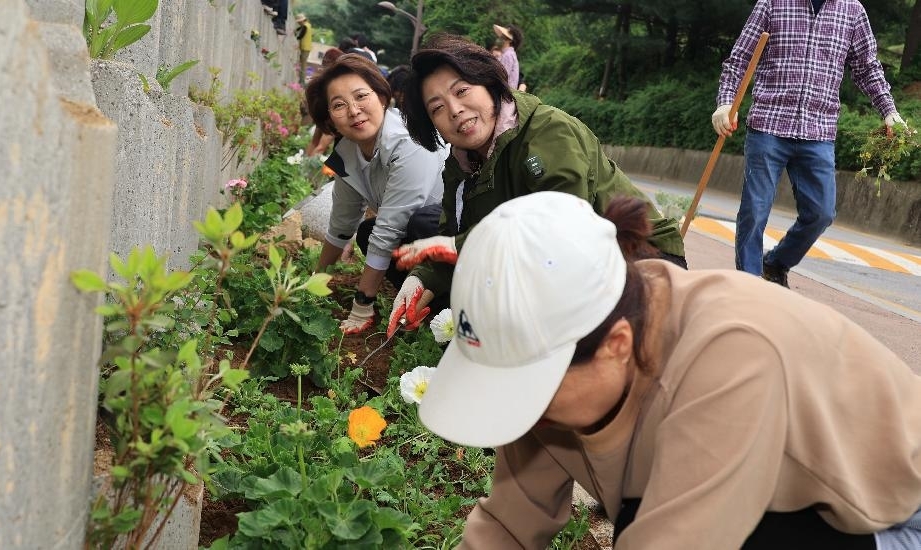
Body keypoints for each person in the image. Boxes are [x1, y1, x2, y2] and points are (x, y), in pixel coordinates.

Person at [417, 190, 921, 549]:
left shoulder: (732, 352)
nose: (521, 415)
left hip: (892, 517)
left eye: (531, 391)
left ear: (617, 345)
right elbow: (509, 524)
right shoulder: (563, 338)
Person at [388, 34, 685, 336]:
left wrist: (456, 246)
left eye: (462, 90)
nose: (454, 109)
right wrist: (421, 281)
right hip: (561, 274)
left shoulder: (548, 130)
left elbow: (563, 229)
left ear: (489, 83)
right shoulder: (459, 163)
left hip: (638, 261)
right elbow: (452, 238)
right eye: (437, 108)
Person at [713, 0, 905, 288]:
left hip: (818, 131)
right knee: (755, 209)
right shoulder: (773, 3)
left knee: (821, 213)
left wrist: (889, 110)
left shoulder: (852, 11)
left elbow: (867, 68)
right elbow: (740, 59)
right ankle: (748, 286)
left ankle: (775, 263)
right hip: (769, 124)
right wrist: (726, 102)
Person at [304, 54, 449, 334]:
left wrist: (362, 305)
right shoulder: (348, 153)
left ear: (382, 97)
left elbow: (392, 226)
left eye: (361, 96)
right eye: (338, 105)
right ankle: (424, 310)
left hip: (456, 232)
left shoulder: (409, 140)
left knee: (415, 224)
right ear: (330, 121)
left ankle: (449, 312)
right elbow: (342, 224)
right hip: (422, 237)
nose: (354, 110)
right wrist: (314, 282)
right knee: (367, 233)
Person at [492, 24, 521, 90]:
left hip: (504, 96)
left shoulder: (508, 55)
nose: (500, 38)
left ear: (510, 40)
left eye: (503, 37)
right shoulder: (506, 54)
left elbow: (502, 77)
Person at [294, 14, 313, 84]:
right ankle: (301, 80)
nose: (298, 23)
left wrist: (295, 36)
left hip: (305, 48)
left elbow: (301, 35)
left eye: (299, 22)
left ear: (302, 21)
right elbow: (300, 28)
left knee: (303, 65)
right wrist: (296, 30)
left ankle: (301, 81)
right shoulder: (308, 25)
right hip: (307, 48)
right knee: (303, 64)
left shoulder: (305, 26)